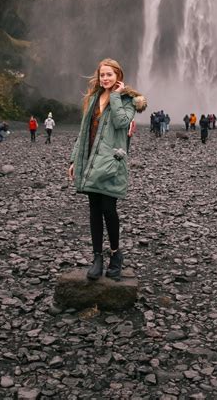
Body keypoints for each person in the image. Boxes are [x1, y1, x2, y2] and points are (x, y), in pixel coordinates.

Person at [68, 58, 147, 281]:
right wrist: (74, 160)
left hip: (110, 162)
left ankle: (115, 254)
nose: (105, 78)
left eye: (110, 75)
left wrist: (115, 96)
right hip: (90, 160)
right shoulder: (92, 99)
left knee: (109, 210)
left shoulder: (129, 100)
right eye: (102, 75)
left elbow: (122, 122)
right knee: (94, 210)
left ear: (118, 77)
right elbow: (83, 133)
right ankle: (97, 258)